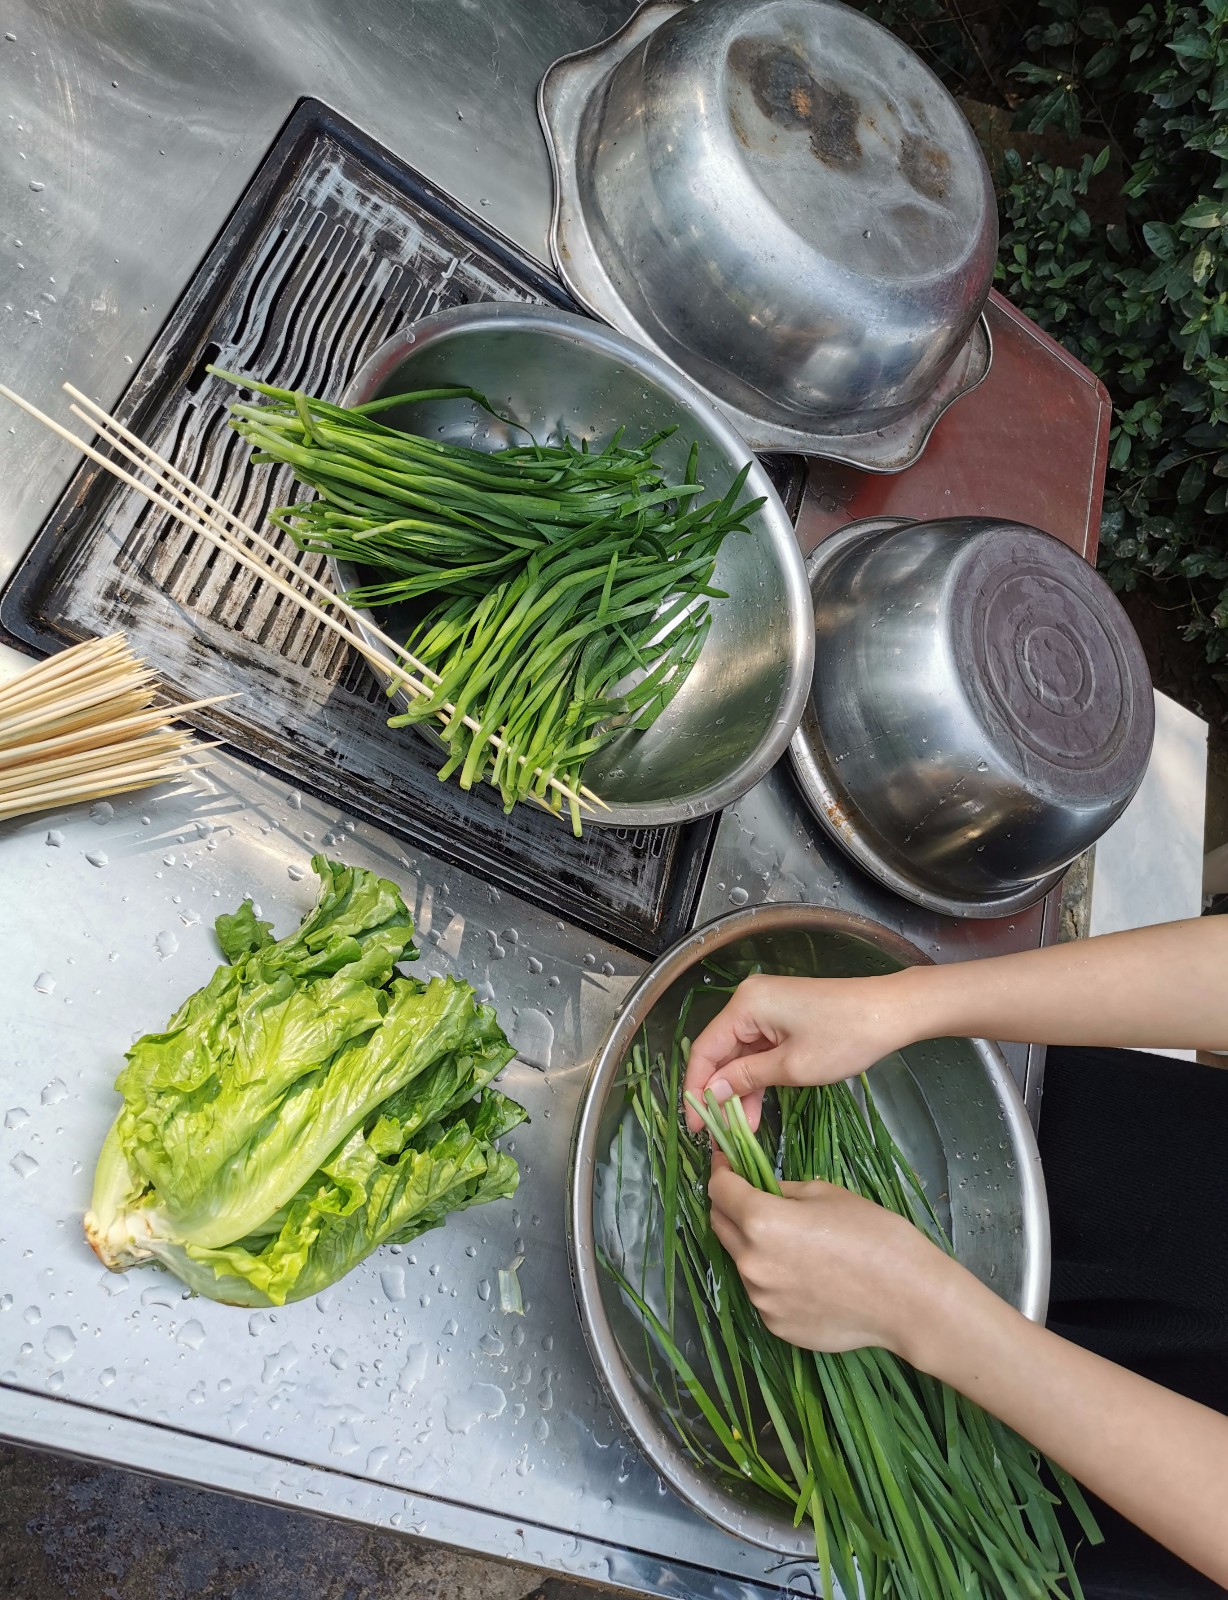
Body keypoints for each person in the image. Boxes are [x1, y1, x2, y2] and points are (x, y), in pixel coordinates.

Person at [682, 916, 1228, 1594]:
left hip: (1117, 1470)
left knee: (916, 1489)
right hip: (1150, 1158)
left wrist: (920, 1309)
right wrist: (902, 1003)